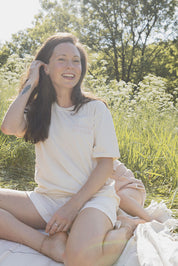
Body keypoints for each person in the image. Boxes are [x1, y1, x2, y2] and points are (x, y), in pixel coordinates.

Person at [0, 33, 143, 266]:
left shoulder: (95, 109)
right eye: (62, 59)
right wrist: (30, 82)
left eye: (76, 60)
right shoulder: (39, 111)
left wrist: (71, 208)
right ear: (45, 67)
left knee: (79, 261)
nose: (70, 66)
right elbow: (8, 127)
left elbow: (106, 166)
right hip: (48, 199)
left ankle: (125, 227)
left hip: (91, 199)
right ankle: (46, 244)